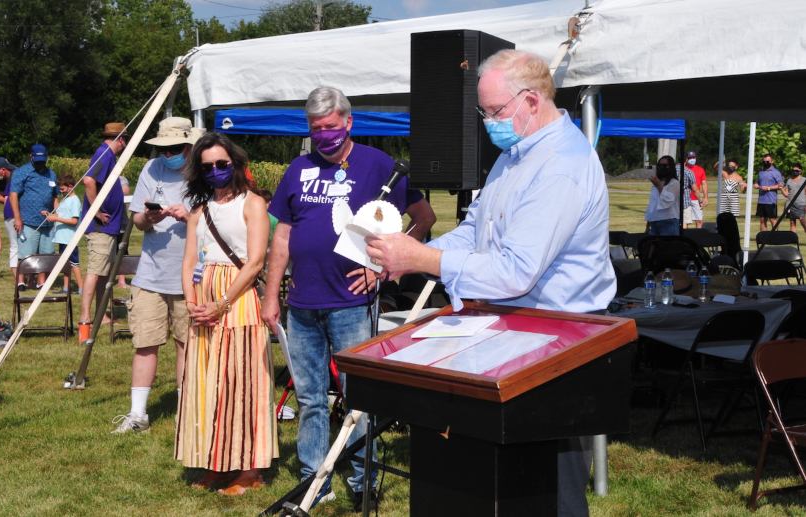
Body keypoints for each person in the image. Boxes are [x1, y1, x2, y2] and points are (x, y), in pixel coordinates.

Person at [365, 49, 615, 516]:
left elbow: (515, 270)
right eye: (484, 112)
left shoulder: (561, 165)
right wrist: (413, 256)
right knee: (498, 482)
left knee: (550, 487)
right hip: (510, 333)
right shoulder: (515, 155)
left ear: (533, 101)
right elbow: (475, 231)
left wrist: (424, 257)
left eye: (497, 112)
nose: (489, 123)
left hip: (559, 340)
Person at [261, 86, 436, 510]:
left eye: (330, 128)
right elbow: (282, 234)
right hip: (302, 304)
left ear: (348, 122)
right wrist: (271, 296)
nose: (323, 136)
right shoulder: (298, 168)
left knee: (358, 398)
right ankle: (313, 481)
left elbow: (424, 218)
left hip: (352, 305)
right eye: (315, 129)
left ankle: (362, 478)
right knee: (310, 398)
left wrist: (385, 267)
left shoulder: (378, 166)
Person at [176, 132, 276, 495]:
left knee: (242, 383)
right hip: (203, 302)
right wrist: (191, 301)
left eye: (221, 164)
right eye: (207, 167)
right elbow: (189, 260)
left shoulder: (253, 204)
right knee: (208, 384)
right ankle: (216, 462)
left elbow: (254, 263)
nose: (216, 171)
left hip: (237, 302)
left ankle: (249, 470)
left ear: (234, 164)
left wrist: (221, 305)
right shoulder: (199, 212)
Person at [112, 117, 199, 434]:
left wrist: (188, 217)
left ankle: (187, 412)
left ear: (188, 146)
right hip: (150, 275)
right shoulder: (151, 170)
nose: (169, 154)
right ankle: (137, 415)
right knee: (145, 344)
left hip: (190, 276)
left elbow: (213, 223)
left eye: (175, 149)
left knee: (186, 345)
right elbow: (136, 220)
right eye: (164, 149)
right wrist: (148, 216)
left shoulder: (204, 172)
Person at [79, 122, 127, 342]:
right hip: (101, 226)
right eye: (124, 139)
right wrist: (97, 211)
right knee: (95, 271)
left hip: (109, 227)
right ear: (120, 139)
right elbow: (88, 180)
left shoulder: (108, 155)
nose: (125, 144)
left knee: (103, 274)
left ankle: (101, 315)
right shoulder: (104, 153)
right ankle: (85, 319)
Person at [9, 144, 59, 289]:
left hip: (48, 223)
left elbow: (55, 196)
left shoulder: (51, 174)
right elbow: (13, 195)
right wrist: (17, 218)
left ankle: (41, 281)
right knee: (26, 254)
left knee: (46, 253)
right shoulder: (21, 172)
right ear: (31, 156)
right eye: (37, 159)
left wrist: (57, 214)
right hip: (28, 221)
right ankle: (21, 281)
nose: (40, 162)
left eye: (42, 159)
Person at [43, 175, 82, 295]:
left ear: (70, 187)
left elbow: (74, 221)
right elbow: (61, 215)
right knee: (65, 264)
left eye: (63, 189)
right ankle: (66, 288)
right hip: (62, 238)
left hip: (69, 239)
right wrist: (49, 214)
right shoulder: (65, 199)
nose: (61, 191)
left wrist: (56, 219)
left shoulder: (74, 201)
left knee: (74, 264)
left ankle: (82, 288)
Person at [645, 156, 681, 236]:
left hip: (668, 221)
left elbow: (668, 200)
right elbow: (653, 204)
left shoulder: (674, 183)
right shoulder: (657, 183)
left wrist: (658, 186)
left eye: (665, 165)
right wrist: (648, 222)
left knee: (667, 247)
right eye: (660, 165)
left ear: (671, 167)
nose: (662, 168)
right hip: (654, 222)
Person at [753, 153, 785, 231]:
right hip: (761, 200)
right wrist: (756, 185)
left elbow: (781, 185)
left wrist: (768, 188)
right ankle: (764, 239)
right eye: (764, 161)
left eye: (767, 161)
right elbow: (756, 182)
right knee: (762, 220)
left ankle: (776, 237)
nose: (765, 163)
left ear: (772, 161)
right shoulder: (761, 172)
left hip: (771, 201)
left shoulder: (776, 172)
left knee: (772, 220)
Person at [685, 150, 708, 228]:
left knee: (699, 220)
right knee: (685, 221)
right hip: (685, 199)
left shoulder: (700, 169)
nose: (692, 159)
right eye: (690, 157)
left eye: (693, 157)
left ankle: (698, 237)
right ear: (686, 159)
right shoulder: (683, 169)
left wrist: (705, 197)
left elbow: (704, 183)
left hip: (696, 198)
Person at [782, 163, 806, 233]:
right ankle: (793, 241)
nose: (794, 171)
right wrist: (781, 188)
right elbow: (786, 194)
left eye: (796, 170)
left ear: (800, 171)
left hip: (801, 204)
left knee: (802, 220)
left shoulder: (804, 180)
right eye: (793, 170)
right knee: (792, 222)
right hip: (790, 204)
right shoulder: (789, 180)